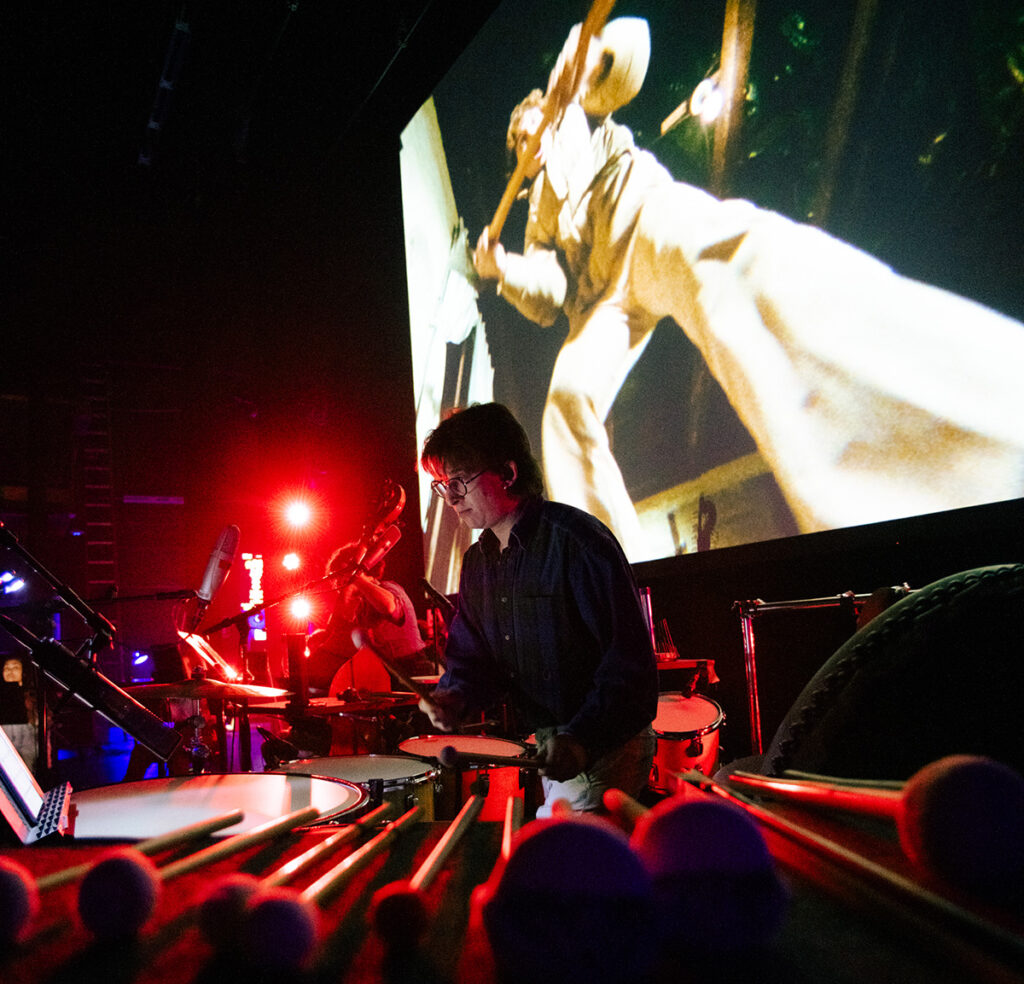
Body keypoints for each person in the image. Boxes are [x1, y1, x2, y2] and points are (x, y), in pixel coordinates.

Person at [474, 19, 1024, 561]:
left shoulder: (570, 107)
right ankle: (616, 572)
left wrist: (590, 56)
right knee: (565, 404)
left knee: (729, 266)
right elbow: (549, 295)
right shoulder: (537, 211)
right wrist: (504, 269)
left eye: (529, 128)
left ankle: (969, 459)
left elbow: (630, 53)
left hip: (642, 220)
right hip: (599, 306)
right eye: (520, 141)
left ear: (539, 113)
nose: (529, 142)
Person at [418, 401, 658, 816]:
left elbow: (629, 668)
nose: (450, 497)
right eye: (442, 485)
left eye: (458, 481)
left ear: (509, 474)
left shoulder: (579, 543)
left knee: (573, 869)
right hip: (555, 745)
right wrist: (454, 697)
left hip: (607, 744)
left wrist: (581, 738)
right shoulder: (478, 562)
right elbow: (475, 660)